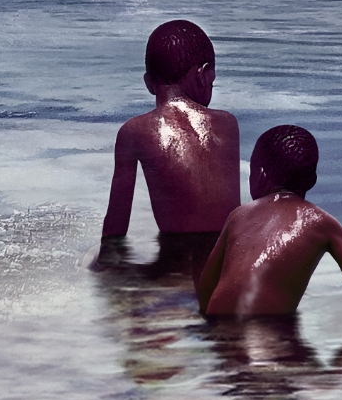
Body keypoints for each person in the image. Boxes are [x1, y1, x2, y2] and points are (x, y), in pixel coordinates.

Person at [96, 20, 241, 279]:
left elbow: (117, 223)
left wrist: (104, 267)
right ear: (204, 74)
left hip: (176, 267)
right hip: (228, 263)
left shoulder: (134, 131)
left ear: (149, 83)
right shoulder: (227, 124)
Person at [197, 125, 342, 316]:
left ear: (260, 174)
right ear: (312, 181)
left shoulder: (238, 215)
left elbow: (206, 287)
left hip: (219, 328)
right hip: (268, 335)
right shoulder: (323, 223)